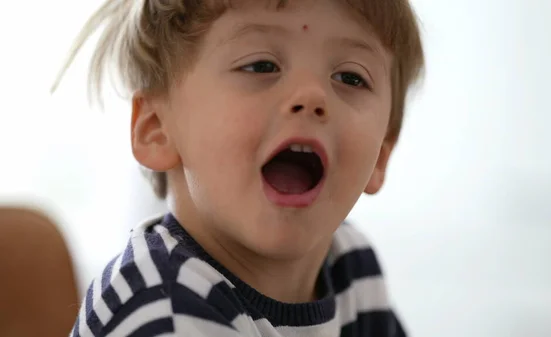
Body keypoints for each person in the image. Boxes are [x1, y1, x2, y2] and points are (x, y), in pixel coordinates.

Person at [53, 0, 424, 335]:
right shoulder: (162, 308)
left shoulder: (350, 264)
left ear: (380, 156)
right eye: (262, 66)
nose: (312, 96)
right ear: (158, 130)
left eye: (350, 77)